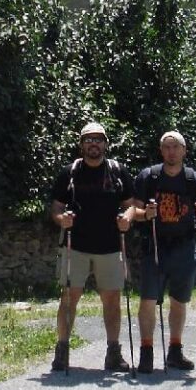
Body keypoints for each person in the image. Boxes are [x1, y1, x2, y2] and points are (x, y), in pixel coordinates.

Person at [49, 122, 134, 373]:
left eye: (98, 139)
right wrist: (61, 219)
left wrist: (127, 218)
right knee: (68, 298)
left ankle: (113, 353)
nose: (93, 143)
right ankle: (62, 351)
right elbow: (56, 207)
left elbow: (130, 204)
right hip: (75, 245)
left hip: (110, 245)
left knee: (112, 300)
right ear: (81, 145)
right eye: (88, 139)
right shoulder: (70, 173)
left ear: (106, 144)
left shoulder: (118, 171)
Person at [128, 129, 196, 373]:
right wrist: (146, 214)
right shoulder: (149, 177)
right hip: (155, 247)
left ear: (184, 151)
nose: (171, 151)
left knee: (179, 300)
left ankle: (175, 351)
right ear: (161, 150)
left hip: (184, 248)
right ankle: (146, 352)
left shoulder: (194, 180)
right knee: (148, 300)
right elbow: (134, 210)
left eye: (176, 147)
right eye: (167, 147)